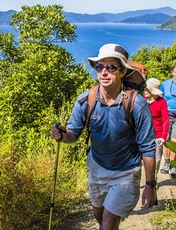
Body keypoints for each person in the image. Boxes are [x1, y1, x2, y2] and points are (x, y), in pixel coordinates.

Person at [51, 43, 156, 230]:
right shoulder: (87, 99)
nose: (104, 72)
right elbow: (73, 134)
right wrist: (62, 134)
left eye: (111, 67)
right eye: (99, 67)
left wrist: (150, 185)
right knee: (100, 218)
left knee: (107, 222)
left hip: (126, 172)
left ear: (123, 72)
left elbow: (148, 147)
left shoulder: (137, 104)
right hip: (97, 169)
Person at [143, 78, 169, 184]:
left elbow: (165, 120)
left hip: (158, 135)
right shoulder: (143, 100)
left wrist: (163, 137)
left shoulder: (161, 102)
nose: (144, 91)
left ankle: (153, 179)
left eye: (147, 89)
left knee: (157, 160)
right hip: (145, 135)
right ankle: (147, 179)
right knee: (146, 159)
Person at [160, 65, 176, 178]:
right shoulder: (165, 84)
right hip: (166, 113)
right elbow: (159, 97)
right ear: (172, 72)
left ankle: (173, 165)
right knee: (166, 139)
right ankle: (166, 162)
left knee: (174, 140)